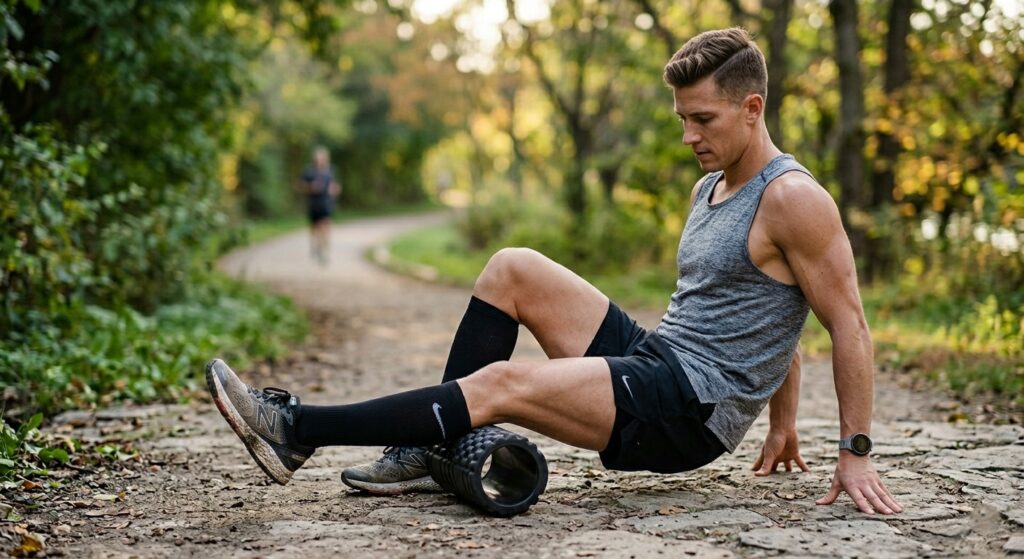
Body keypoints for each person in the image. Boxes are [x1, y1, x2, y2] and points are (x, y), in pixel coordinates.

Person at [207, 28, 902, 516]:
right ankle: (429, 449)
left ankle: (296, 430)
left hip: (686, 412)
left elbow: (846, 323)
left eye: (703, 119)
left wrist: (856, 452)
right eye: (682, 119)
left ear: (753, 109)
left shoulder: (794, 199)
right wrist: (782, 424)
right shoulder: (711, 185)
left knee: (501, 384)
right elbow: (767, 311)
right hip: (659, 358)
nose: (689, 135)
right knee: (512, 266)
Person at [300, 146, 341, 265]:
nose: (321, 160)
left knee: (326, 226)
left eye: (323, 157)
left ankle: (324, 252)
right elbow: (300, 185)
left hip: (327, 203)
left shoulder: (331, 171)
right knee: (315, 228)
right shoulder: (309, 171)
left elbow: (336, 185)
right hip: (314, 204)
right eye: (318, 157)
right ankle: (315, 245)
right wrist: (310, 187)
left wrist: (335, 189)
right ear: (315, 158)